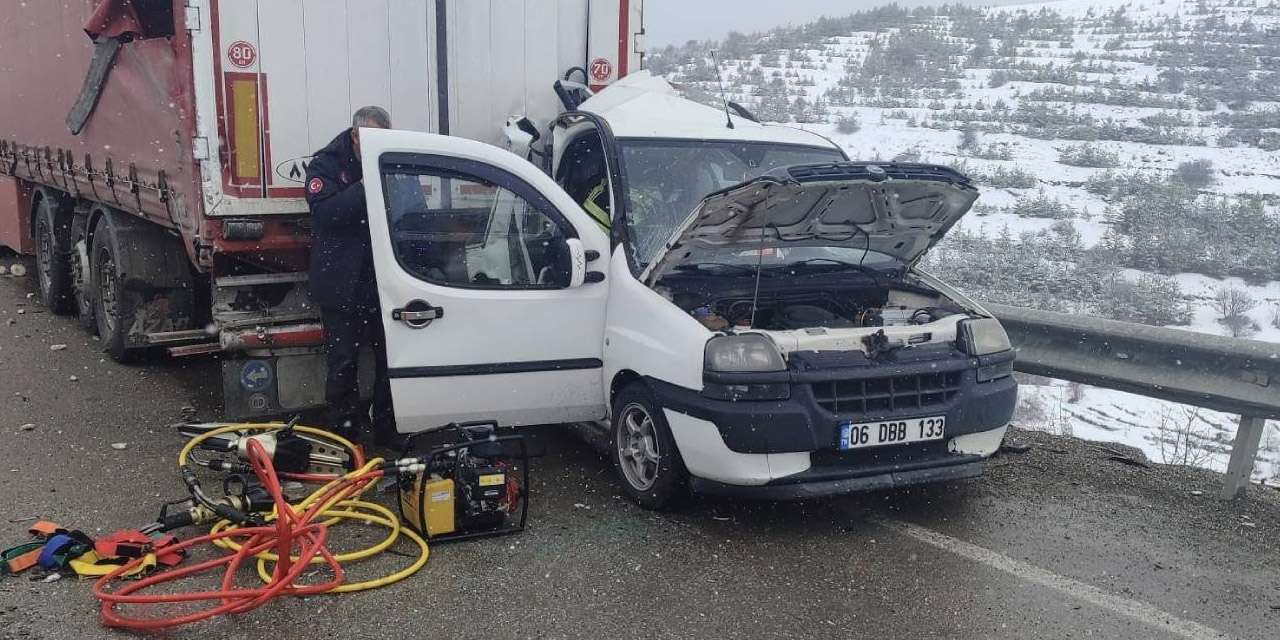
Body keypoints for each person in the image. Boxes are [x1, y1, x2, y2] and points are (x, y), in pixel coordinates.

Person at [304, 106, 401, 448]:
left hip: (382, 281)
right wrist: (365, 185)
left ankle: (388, 428)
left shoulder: (389, 160)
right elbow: (326, 214)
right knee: (343, 363)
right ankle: (345, 436)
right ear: (356, 136)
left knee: (391, 360)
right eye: (373, 139)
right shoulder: (326, 164)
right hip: (341, 283)